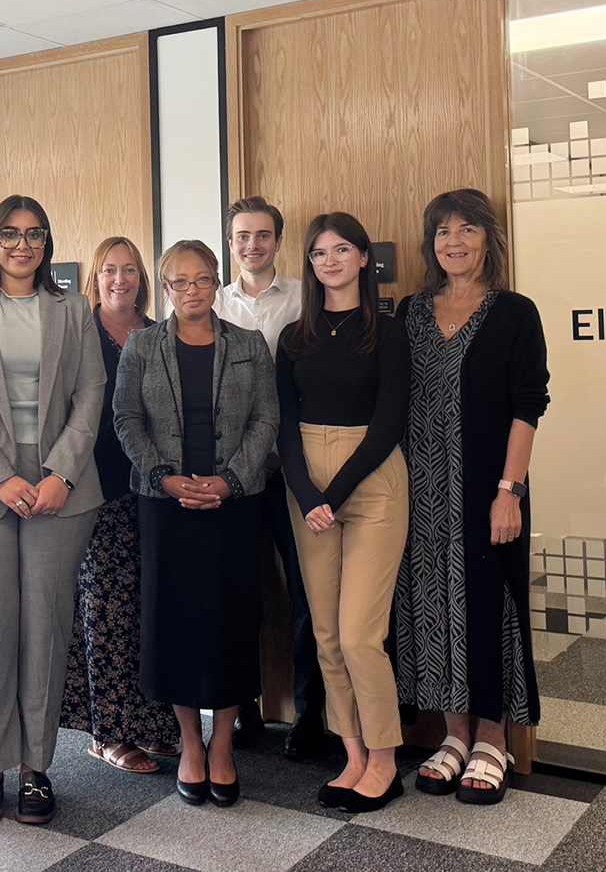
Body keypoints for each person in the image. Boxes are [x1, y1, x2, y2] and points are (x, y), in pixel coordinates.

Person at [0, 195, 105, 827]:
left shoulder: (73, 308)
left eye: (34, 235)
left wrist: (60, 471)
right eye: (9, 234)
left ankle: (36, 769)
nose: (21, 245)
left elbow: (91, 393)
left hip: (62, 486)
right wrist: (0, 477)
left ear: (47, 243)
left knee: (45, 624)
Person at [395, 189, 549, 805]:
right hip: (419, 491)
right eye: (442, 232)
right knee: (431, 605)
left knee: (491, 607)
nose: (453, 242)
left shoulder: (514, 311)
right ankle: (454, 735)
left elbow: (528, 404)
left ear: (489, 238)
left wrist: (509, 490)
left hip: (489, 489)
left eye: (467, 230)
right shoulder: (409, 310)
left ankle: (493, 738)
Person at [114, 240, 279, 808]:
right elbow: (126, 419)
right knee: (176, 626)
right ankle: (189, 742)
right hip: (165, 507)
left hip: (233, 504)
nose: (191, 292)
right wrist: (164, 476)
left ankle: (223, 746)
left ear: (217, 283)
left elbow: (266, 418)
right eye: (179, 283)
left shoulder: (249, 345)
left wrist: (229, 481)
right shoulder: (141, 346)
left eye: (202, 280)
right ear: (164, 290)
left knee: (232, 623)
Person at [275, 212, 411, 815]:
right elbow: (282, 422)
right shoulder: (293, 336)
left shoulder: (387, 330)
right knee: (326, 634)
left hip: (371, 479)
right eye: (319, 252)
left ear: (363, 259)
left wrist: (336, 491)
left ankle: (385, 758)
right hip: (307, 482)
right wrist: (308, 495)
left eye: (342, 250)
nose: (329, 261)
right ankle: (352, 753)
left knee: (360, 635)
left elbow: (389, 423)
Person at [60, 236, 182, 775]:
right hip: (95, 487)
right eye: (110, 269)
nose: (120, 279)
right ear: (96, 277)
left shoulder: (160, 334)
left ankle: (154, 724)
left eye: (130, 270)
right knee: (104, 608)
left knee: (151, 607)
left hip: (153, 490)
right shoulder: (77, 333)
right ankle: (106, 733)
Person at [215, 196, 327, 760]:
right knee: (239, 594)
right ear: (230, 242)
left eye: (263, 235)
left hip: (295, 472)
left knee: (307, 593)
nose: (252, 245)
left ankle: (312, 715)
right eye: (242, 236)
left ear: (278, 241)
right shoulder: (208, 304)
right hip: (232, 479)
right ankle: (244, 710)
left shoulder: (309, 300)